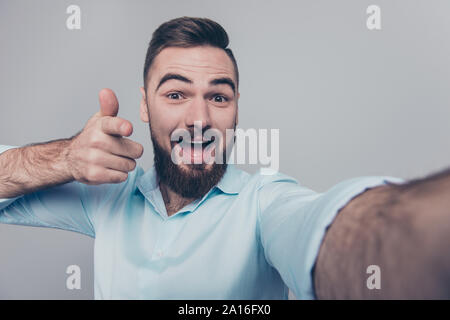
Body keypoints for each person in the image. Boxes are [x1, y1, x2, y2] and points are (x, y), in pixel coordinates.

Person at [1, 16, 449, 300]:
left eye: (218, 95)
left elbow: (328, 232)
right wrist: (64, 158)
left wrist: (418, 236)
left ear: (236, 107)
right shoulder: (105, 196)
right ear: (144, 106)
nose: (199, 118)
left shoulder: (264, 204)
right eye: (176, 93)